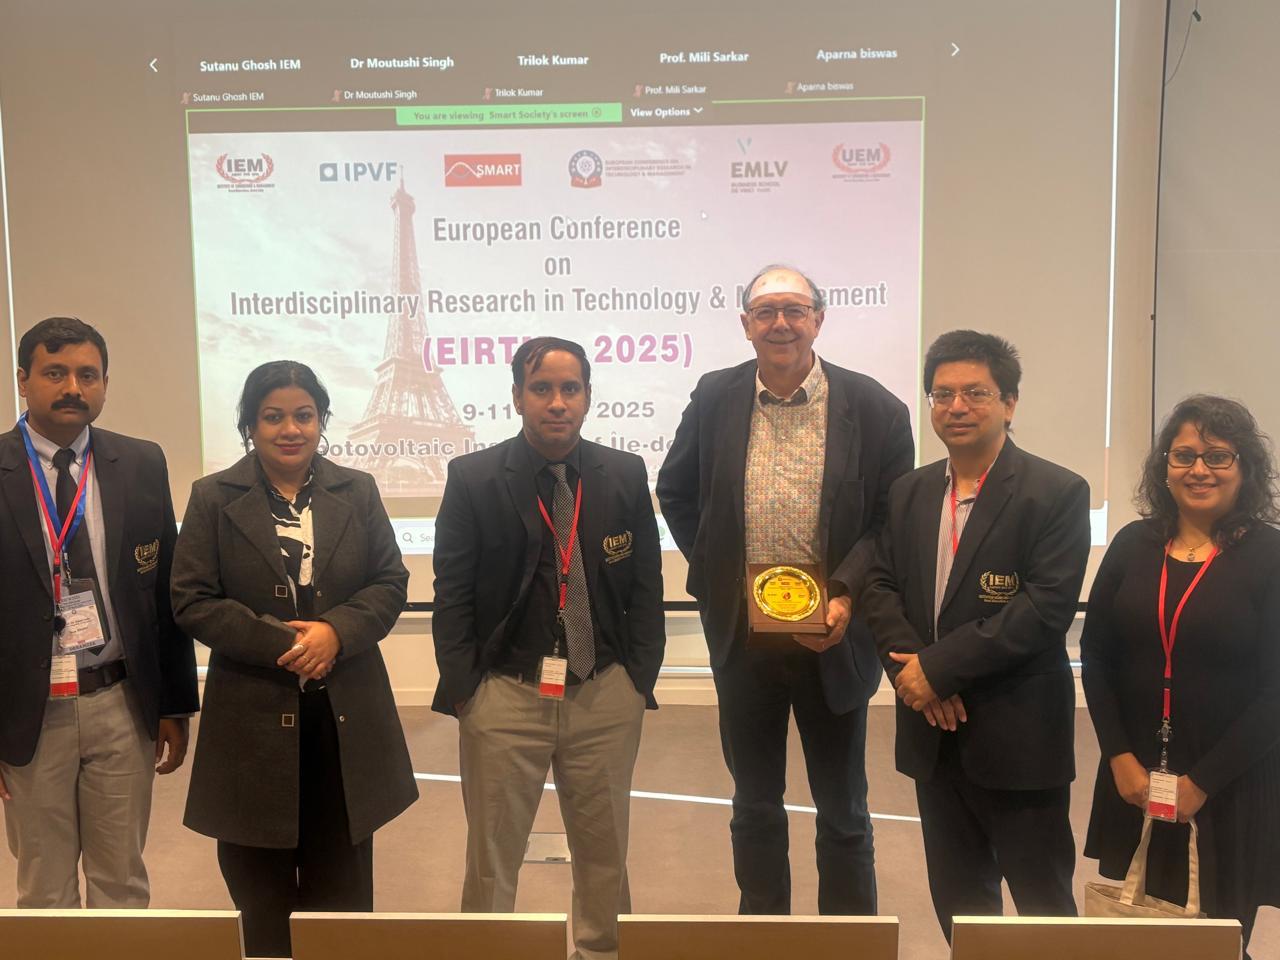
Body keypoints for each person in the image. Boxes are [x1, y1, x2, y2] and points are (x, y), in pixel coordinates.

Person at [656, 265, 913, 915]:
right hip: (743, 637)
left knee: (844, 808)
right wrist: (717, 574)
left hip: (833, 635)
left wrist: (846, 594)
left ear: (818, 320)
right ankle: (763, 933)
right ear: (745, 325)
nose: (781, 323)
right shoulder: (715, 396)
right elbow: (676, 491)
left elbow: (890, 521)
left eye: (795, 310)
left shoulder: (876, 408)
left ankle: (848, 940)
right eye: (766, 311)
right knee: (754, 804)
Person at [171, 361, 417, 957]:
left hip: (344, 721)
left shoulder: (358, 490)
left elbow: (389, 581)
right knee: (262, 902)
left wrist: (337, 631)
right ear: (250, 425)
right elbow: (192, 599)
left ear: (321, 420)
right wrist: (288, 644)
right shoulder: (212, 497)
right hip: (251, 725)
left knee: (343, 905)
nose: (290, 429)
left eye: (304, 415)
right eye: (273, 416)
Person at [432, 336, 664, 960]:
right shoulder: (473, 478)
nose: (556, 402)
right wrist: (467, 690)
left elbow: (646, 585)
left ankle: (601, 953)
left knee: (605, 853)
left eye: (569, 388)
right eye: (541, 389)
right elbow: (451, 594)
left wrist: (638, 679)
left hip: (604, 692)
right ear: (516, 397)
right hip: (506, 694)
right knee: (492, 857)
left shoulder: (623, 474)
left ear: (587, 396)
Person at [857, 330, 1089, 938]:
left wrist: (937, 670)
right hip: (933, 740)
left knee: (1044, 909)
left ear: (1009, 403)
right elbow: (879, 585)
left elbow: (1044, 608)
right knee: (961, 909)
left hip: (1019, 738)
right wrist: (914, 673)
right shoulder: (909, 491)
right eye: (942, 394)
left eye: (975, 393)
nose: (956, 407)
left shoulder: (1057, 492)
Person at [0, 316, 197, 908]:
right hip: (29, 710)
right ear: (23, 380)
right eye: (55, 373)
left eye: (88, 375)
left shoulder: (141, 462)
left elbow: (163, 593)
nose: (73, 388)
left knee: (122, 881)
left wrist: (174, 704)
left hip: (121, 701)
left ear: (106, 383)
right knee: (45, 888)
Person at [1082, 395, 1280, 958]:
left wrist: (1203, 782)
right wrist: (1119, 756)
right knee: (1140, 934)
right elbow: (1096, 654)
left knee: (1216, 937)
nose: (1199, 469)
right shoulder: (1132, 544)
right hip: (1136, 775)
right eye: (1184, 455)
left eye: (1218, 456)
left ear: (1245, 467)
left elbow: (1276, 690)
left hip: (1230, 780)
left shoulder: (1270, 555)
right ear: (1164, 466)